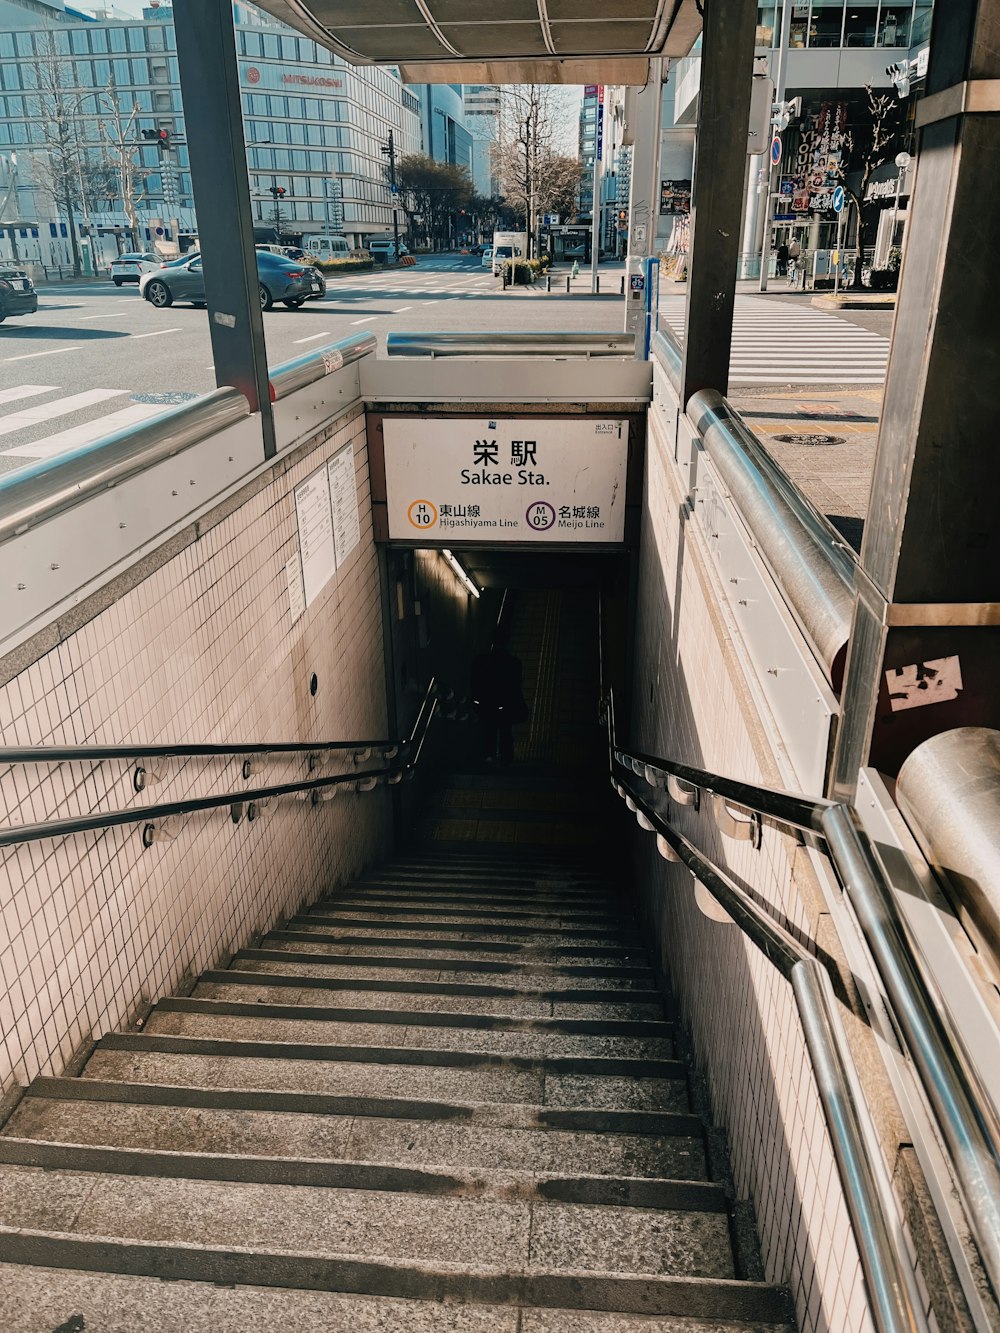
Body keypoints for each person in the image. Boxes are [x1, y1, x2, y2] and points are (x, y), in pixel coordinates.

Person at [471, 630, 528, 765]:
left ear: (492, 642)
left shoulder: (481, 661)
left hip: (487, 703)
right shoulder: (514, 664)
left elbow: (474, 683)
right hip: (506, 704)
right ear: (508, 643)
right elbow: (515, 687)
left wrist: (476, 701)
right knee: (505, 731)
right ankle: (506, 760)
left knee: (489, 728)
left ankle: (489, 756)